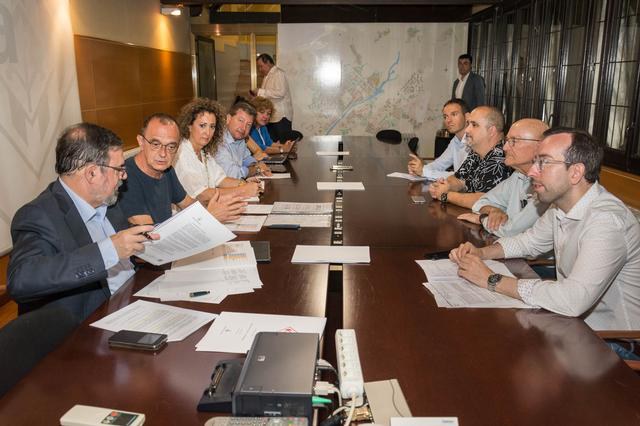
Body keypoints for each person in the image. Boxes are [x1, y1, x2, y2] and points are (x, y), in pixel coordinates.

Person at [449, 128, 640, 358]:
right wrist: (481, 254)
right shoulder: (561, 206)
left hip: (614, 344)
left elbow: (573, 299)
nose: (532, 171)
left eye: (544, 162)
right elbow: (527, 242)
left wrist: (491, 279)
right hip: (575, 327)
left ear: (575, 172)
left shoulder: (606, 220)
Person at [7, 123, 155, 322]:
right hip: (91, 326)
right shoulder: (38, 215)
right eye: (119, 169)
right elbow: (22, 281)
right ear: (92, 173)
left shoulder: (107, 200)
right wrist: (108, 251)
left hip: (136, 299)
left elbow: (124, 252)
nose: (124, 176)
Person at [119, 113, 246, 226]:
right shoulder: (125, 176)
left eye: (171, 146)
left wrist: (217, 206)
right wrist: (209, 217)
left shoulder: (167, 170)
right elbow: (148, 237)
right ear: (141, 142)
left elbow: (189, 205)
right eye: (156, 144)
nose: (163, 154)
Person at [457, 118, 550, 237]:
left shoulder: (548, 183)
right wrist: (493, 210)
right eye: (507, 140)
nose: (505, 147)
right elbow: (480, 202)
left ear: (540, 146)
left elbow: (512, 230)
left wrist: (482, 219)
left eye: (514, 141)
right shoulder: (518, 176)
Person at [174, 98, 261, 205]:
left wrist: (243, 184)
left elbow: (221, 179)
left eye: (212, 127)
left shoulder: (204, 152)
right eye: (202, 125)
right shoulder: (182, 153)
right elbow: (202, 195)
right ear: (189, 126)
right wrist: (242, 190)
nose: (208, 132)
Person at [428, 106, 512, 208]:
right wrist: (445, 185)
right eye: (468, 124)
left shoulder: (501, 157)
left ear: (491, 131)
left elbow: (483, 200)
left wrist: (446, 195)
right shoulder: (476, 152)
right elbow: (459, 179)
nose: (467, 130)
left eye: (474, 125)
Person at [408, 99, 469, 180]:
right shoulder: (455, 140)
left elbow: (463, 177)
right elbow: (439, 164)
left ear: (467, 116)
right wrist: (418, 169)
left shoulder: (475, 141)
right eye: (445, 116)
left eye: (454, 114)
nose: (448, 120)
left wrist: (424, 171)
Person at [215, 102, 271, 180]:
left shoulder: (240, 139)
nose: (243, 128)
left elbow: (246, 158)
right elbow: (233, 174)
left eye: (248, 124)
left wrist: (257, 165)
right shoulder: (218, 140)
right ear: (228, 119)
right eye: (240, 120)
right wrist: (256, 169)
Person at [250, 53, 293, 143]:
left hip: (281, 117)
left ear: (268, 63)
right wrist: (257, 96)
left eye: (261, 66)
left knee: (284, 144)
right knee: (271, 143)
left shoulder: (278, 73)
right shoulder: (267, 76)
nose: (260, 69)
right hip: (272, 117)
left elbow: (281, 92)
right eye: (259, 67)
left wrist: (260, 91)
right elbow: (268, 95)